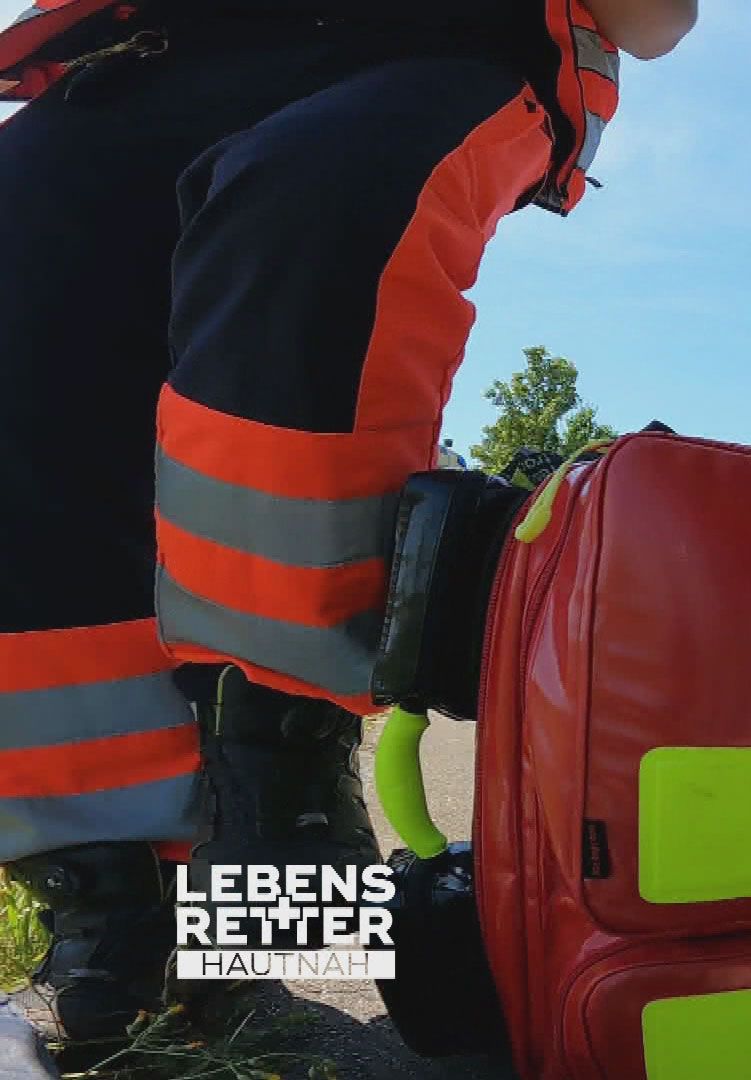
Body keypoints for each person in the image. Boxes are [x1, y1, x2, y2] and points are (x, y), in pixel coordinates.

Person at [0, 0, 697, 1050]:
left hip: (435, 37)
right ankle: (113, 941)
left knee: (321, 217)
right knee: (28, 358)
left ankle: (285, 842)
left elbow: (660, 20)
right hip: (143, 48)